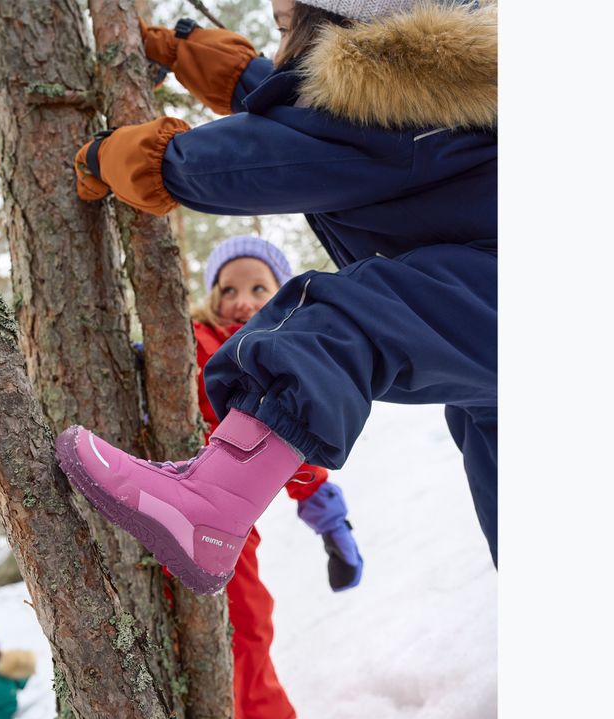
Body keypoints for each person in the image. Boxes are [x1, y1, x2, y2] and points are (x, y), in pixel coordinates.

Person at [57, 0, 497, 597]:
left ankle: (213, 505)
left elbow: (261, 155)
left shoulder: (391, 113)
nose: (280, 40)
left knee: (342, 322)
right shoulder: (437, 94)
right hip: (488, 336)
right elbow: (296, 109)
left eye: (288, 25)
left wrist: (113, 156)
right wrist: (187, 51)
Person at [189, 234, 362, 719]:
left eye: (258, 289)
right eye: (228, 289)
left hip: (228, 521)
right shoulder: (194, 340)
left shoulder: (278, 360)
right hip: (180, 498)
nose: (241, 301)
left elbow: (292, 449)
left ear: (279, 296)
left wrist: (332, 525)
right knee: (240, 620)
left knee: (248, 618)